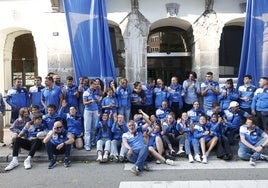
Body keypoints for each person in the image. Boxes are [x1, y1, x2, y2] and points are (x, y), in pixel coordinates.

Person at [83, 79, 99, 151]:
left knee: (94, 128)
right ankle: (87, 145)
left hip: (95, 110)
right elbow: (84, 103)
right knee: (87, 129)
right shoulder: (86, 92)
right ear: (91, 84)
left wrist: (98, 100)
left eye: (96, 84)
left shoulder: (96, 92)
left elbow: (97, 101)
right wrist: (90, 101)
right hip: (88, 111)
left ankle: (92, 142)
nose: (96, 85)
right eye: (95, 84)